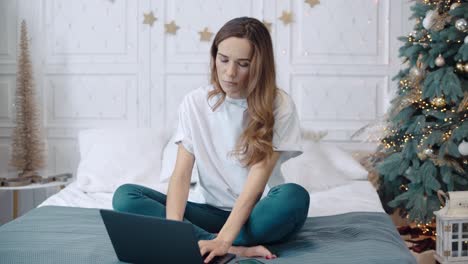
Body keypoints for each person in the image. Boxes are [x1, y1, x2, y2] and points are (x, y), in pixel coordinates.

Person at [112, 16, 310, 263]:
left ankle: (215, 241)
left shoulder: (280, 105)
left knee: (294, 196)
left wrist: (224, 239)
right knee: (125, 196)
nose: (229, 72)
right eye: (223, 59)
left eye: (243, 64)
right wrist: (174, 234)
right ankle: (233, 247)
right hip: (210, 212)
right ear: (214, 56)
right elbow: (181, 175)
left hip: (258, 213)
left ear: (259, 66)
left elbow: (256, 184)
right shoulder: (195, 103)